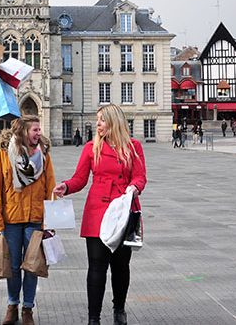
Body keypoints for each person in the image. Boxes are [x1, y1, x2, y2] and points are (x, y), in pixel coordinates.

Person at [53, 105, 147, 325]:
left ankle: (119, 310)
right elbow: (80, 179)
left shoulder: (133, 147)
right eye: (97, 120)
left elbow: (140, 177)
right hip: (98, 210)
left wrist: (133, 188)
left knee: (121, 266)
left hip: (124, 211)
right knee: (96, 266)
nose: (98, 124)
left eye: (102, 120)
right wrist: (66, 187)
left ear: (113, 121)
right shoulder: (90, 148)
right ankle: (93, 318)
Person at [0, 116, 55, 325]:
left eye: (39, 129)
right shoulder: (4, 154)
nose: (38, 133)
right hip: (11, 218)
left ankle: (28, 309)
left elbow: (50, 188)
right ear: (24, 132)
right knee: (13, 266)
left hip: (35, 218)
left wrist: (49, 221)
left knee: (32, 266)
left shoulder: (44, 156)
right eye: (35, 129)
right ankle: (12, 305)